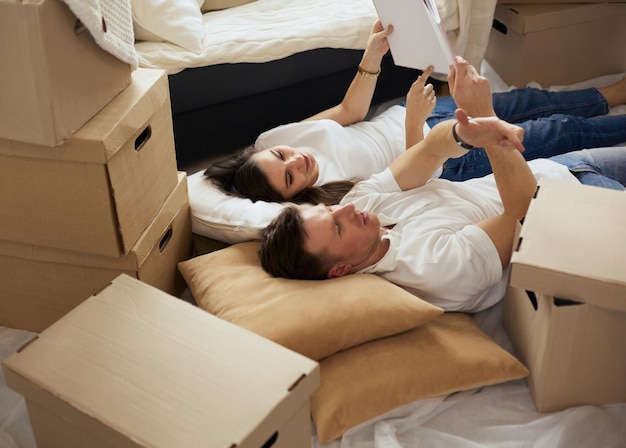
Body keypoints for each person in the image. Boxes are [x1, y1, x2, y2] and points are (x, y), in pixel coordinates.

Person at [258, 59, 626, 314]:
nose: (345, 208)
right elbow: (526, 213)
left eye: (329, 209)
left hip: (560, 171)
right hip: (577, 215)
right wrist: (486, 119)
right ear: (339, 271)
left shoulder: (361, 204)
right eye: (337, 226)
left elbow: (430, 149)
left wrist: (467, 130)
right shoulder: (433, 268)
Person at [205, 23, 626, 205]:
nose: (295, 160)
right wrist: (413, 127)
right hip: (440, 154)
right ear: (294, 195)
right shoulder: (334, 197)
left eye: (283, 157)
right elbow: (416, 182)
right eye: (292, 177)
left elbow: (350, 111)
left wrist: (371, 58)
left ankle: (615, 91)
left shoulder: (272, 141)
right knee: (556, 132)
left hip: (415, 110)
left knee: (523, 101)